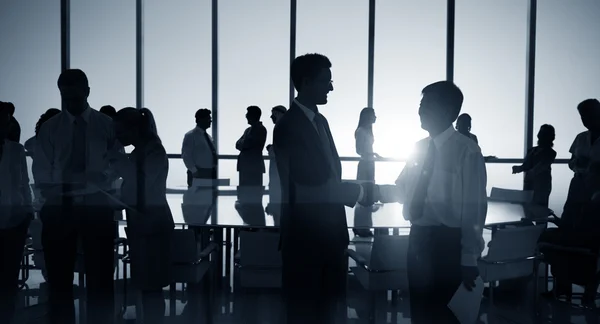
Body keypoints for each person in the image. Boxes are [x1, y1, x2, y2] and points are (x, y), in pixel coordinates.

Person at [274, 53, 374, 324]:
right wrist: (363, 193)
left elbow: (328, 174)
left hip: (329, 236)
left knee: (329, 310)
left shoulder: (320, 121)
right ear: (305, 82)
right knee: (306, 312)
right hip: (306, 238)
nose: (331, 87)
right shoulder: (288, 127)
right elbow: (311, 184)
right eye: (325, 81)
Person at [377, 81, 487, 323]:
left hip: (448, 245)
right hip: (418, 241)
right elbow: (403, 188)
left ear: (448, 111)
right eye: (420, 104)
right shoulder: (417, 148)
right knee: (420, 309)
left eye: (426, 105)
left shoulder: (467, 151)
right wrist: (369, 193)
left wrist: (469, 257)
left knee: (445, 314)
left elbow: (474, 209)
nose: (419, 110)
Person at [32, 69, 117, 324]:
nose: (70, 102)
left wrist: (103, 176)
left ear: (87, 92)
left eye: (75, 97)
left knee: (101, 277)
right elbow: (41, 170)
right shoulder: (50, 128)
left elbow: (117, 161)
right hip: (61, 207)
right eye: (65, 98)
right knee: (59, 279)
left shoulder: (106, 125)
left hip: (96, 205)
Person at [109, 107, 174, 324]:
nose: (118, 137)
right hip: (144, 222)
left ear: (134, 129)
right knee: (148, 285)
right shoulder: (141, 151)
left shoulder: (153, 150)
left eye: (121, 132)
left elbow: (141, 184)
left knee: (152, 286)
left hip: (152, 224)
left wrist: (118, 161)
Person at [0, 102, 33, 323]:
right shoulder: (14, 150)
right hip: (12, 217)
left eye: (6, 120)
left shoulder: (15, 150)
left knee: (8, 277)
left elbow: (23, 183)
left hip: (14, 219)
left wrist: (27, 211)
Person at [562, 99, 600, 227]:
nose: (585, 120)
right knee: (570, 219)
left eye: (588, 115)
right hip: (578, 184)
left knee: (592, 222)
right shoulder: (580, 137)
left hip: (597, 186)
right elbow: (571, 163)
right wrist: (577, 162)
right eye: (582, 116)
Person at [512, 124, 557, 207]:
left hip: (541, 186)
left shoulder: (551, 153)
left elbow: (541, 166)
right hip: (530, 183)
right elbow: (526, 165)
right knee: (527, 209)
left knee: (540, 210)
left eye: (543, 133)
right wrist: (519, 168)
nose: (539, 135)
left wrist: (525, 170)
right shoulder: (532, 150)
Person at [354, 107, 382, 237]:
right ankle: (361, 227)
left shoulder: (367, 131)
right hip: (366, 164)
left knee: (368, 195)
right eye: (373, 115)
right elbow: (359, 150)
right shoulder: (361, 131)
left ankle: (364, 226)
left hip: (370, 164)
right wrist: (374, 153)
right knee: (364, 195)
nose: (375, 117)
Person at [182, 108, 217, 187]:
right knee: (197, 198)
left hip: (209, 173)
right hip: (198, 173)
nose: (210, 121)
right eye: (208, 118)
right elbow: (186, 155)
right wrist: (194, 171)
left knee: (208, 197)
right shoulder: (191, 135)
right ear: (201, 119)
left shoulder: (208, 137)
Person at [236, 106, 267, 187]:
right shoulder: (248, 130)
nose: (246, 116)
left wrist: (243, 143)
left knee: (254, 193)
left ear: (253, 115)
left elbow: (246, 143)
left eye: (248, 114)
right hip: (245, 167)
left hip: (253, 168)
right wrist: (244, 143)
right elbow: (237, 144)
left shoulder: (261, 129)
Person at [265, 105, 287, 216]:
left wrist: (270, 149)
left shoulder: (282, 127)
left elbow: (282, 150)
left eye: (273, 114)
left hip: (279, 173)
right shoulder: (284, 127)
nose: (271, 117)